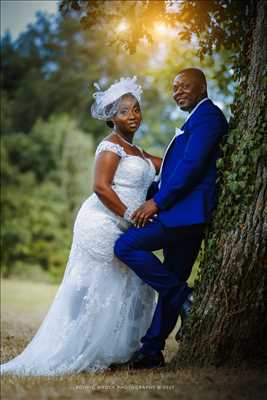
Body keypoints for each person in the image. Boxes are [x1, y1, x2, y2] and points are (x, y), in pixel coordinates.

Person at [0, 76, 162, 376]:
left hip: (125, 226)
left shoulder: (139, 152)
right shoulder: (110, 147)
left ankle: (119, 349)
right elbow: (100, 187)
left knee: (128, 284)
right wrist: (131, 215)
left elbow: (168, 166)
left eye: (136, 109)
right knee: (101, 285)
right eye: (125, 111)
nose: (133, 115)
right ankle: (85, 348)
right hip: (101, 223)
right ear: (111, 117)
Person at [114, 68, 229, 369]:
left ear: (202, 86)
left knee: (126, 246)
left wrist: (157, 202)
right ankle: (151, 351)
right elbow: (172, 170)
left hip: (184, 214)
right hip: (185, 215)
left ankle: (184, 297)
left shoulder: (209, 117)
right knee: (172, 276)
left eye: (184, 86)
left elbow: (191, 167)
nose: (177, 92)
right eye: (174, 88)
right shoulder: (196, 119)